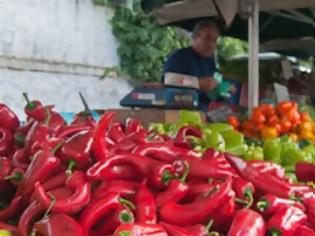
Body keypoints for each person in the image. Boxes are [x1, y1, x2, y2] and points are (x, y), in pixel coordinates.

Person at [163, 21, 235, 110]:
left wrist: (224, 90)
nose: (211, 44)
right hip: (179, 113)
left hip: (203, 115)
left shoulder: (210, 63)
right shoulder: (180, 56)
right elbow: (168, 80)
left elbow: (211, 94)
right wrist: (197, 83)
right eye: (207, 39)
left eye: (214, 40)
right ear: (194, 38)